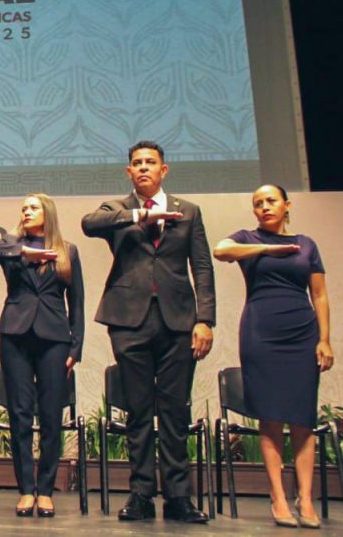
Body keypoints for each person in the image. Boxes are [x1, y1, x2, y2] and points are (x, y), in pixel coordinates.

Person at [81, 140, 215, 523]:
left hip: (179, 320)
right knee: (138, 411)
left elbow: (202, 267)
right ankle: (141, 494)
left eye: (150, 162)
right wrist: (140, 215)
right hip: (129, 321)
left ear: (163, 169)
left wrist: (205, 319)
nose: (143, 167)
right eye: (137, 163)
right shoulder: (117, 209)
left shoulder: (188, 211)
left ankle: (178, 497)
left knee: (174, 412)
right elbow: (89, 224)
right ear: (129, 171)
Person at [213, 184, 332, 529]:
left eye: (271, 201)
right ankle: (278, 497)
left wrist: (325, 340)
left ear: (286, 205)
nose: (264, 207)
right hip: (261, 332)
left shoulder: (306, 244)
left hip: (302, 332)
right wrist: (267, 248)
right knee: (270, 417)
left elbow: (320, 295)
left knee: (302, 418)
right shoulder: (247, 238)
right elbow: (221, 250)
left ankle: (305, 498)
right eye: (258, 203)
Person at [0, 193, 84, 518]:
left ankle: (45, 491)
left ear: (47, 213)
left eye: (33, 207)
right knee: (20, 414)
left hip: (55, 339)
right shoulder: (11, 246)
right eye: (23, 208)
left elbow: (77, 302)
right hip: (15, 336)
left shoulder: (67, 251)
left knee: (50, 416)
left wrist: (76, 347)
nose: (27, 211)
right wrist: (23, 252)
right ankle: (25, 489)